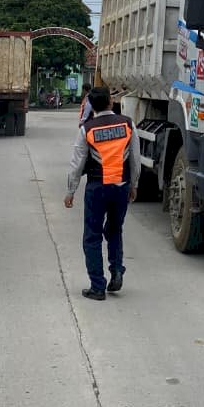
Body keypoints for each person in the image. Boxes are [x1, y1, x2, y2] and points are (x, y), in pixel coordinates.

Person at [64, 85, 140, 300]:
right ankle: (116, 271)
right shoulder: (127, 124)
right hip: (121, 187)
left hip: (97, 188)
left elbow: (77, 163)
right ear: (110, 102)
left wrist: (71, 191)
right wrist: (133, 184)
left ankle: (97, 286)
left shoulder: (87, 129)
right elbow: (135, 159)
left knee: (92, 236)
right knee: (115, 230)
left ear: (92, 105)